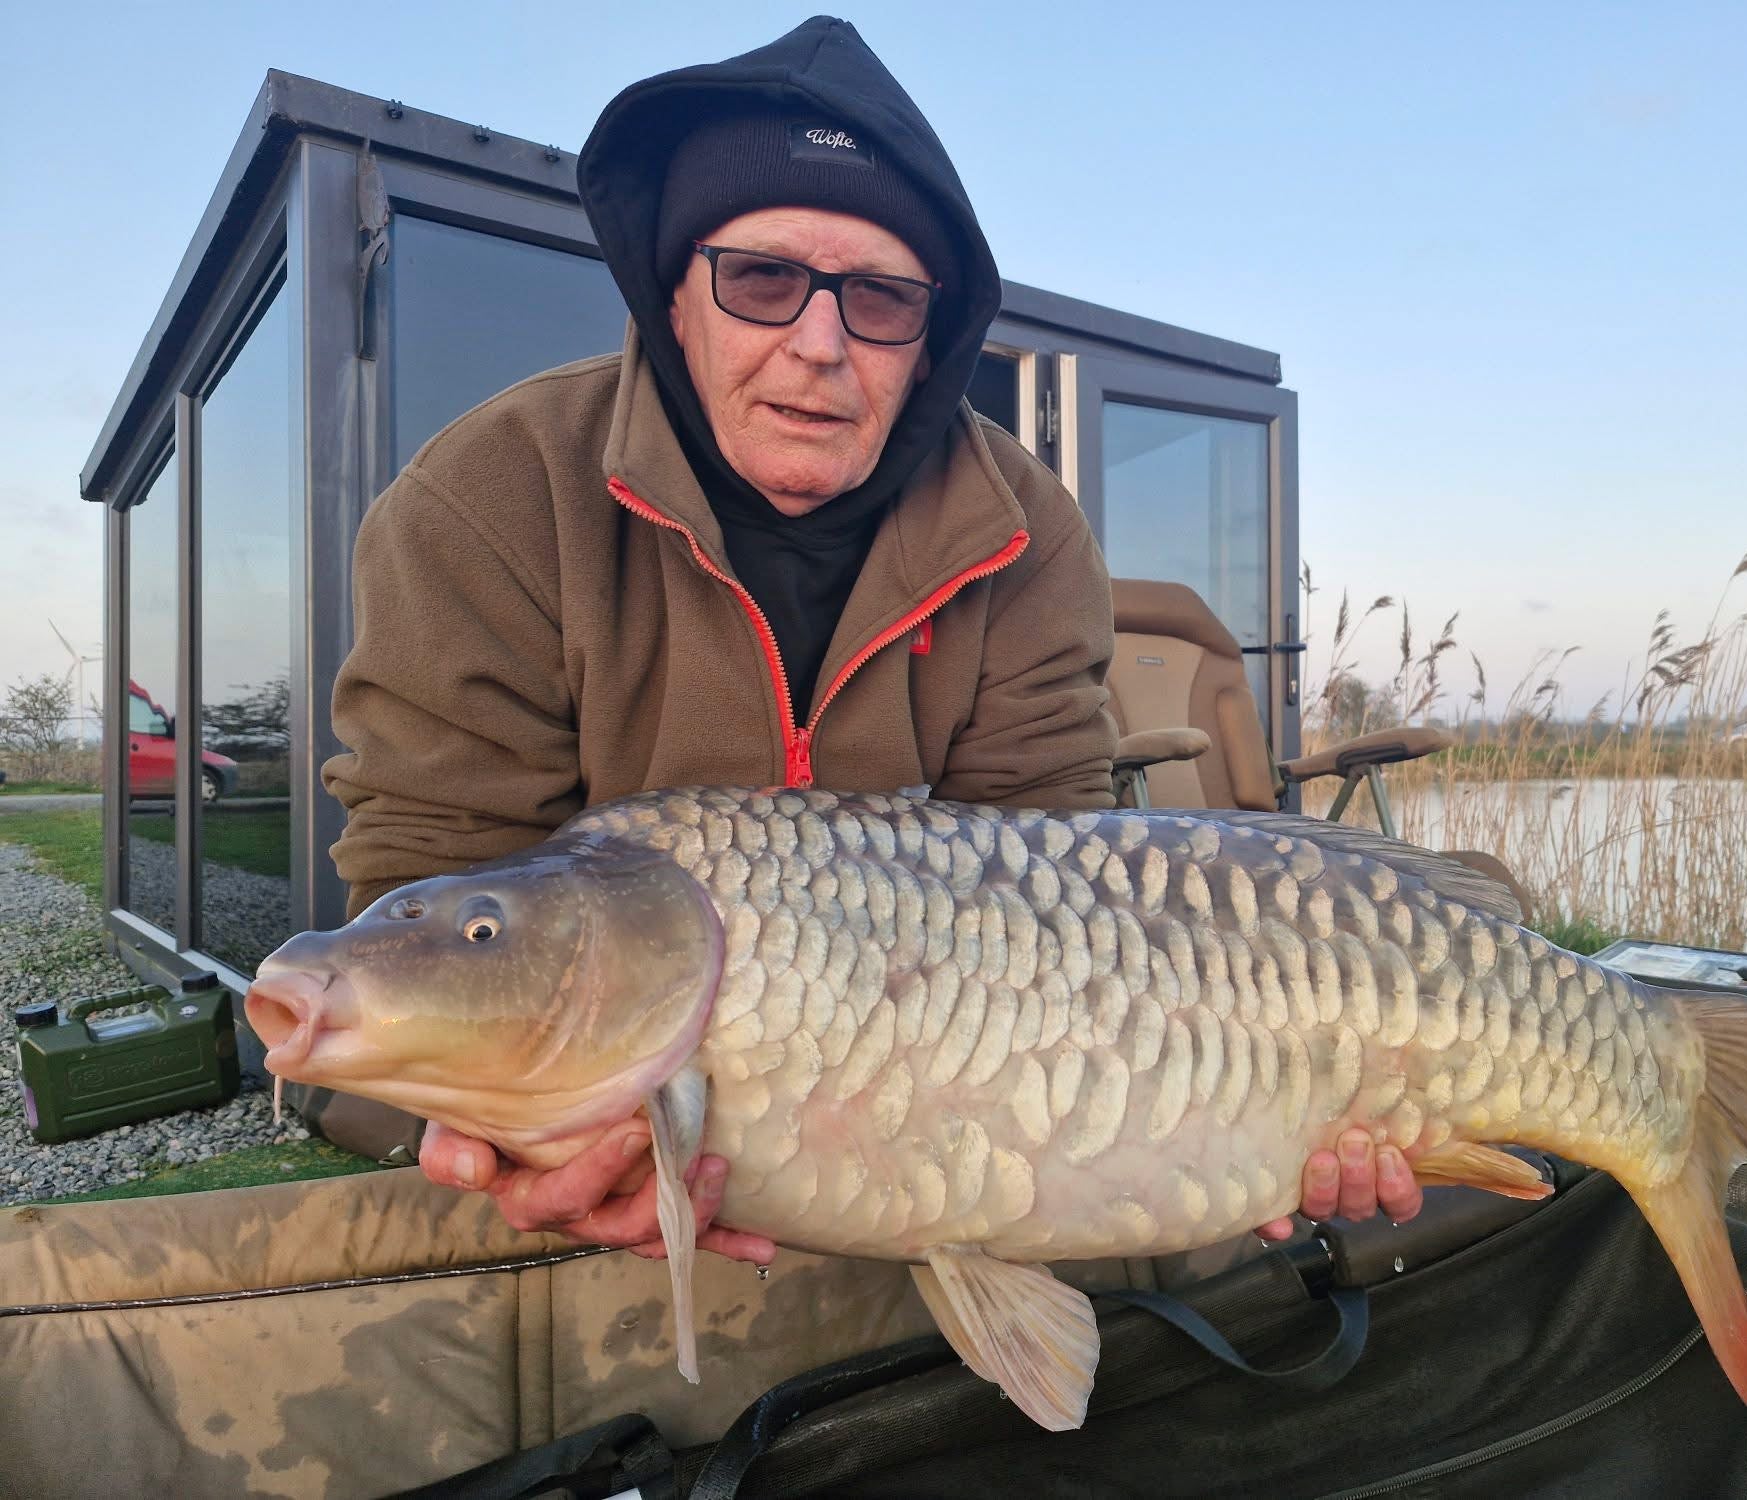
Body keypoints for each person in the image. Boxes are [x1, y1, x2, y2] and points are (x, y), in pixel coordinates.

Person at [322, 12, 1421, 1375]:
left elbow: (1058, 894)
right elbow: (418, 898)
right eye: (763, 279)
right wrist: (472, 1145)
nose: (821, 344)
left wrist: (1248, 1115)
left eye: (881, 298)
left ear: (931, 334)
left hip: (960, 1123)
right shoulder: (487, 501)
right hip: (613, 1107)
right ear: (673, 292)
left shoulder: (1026, 528)